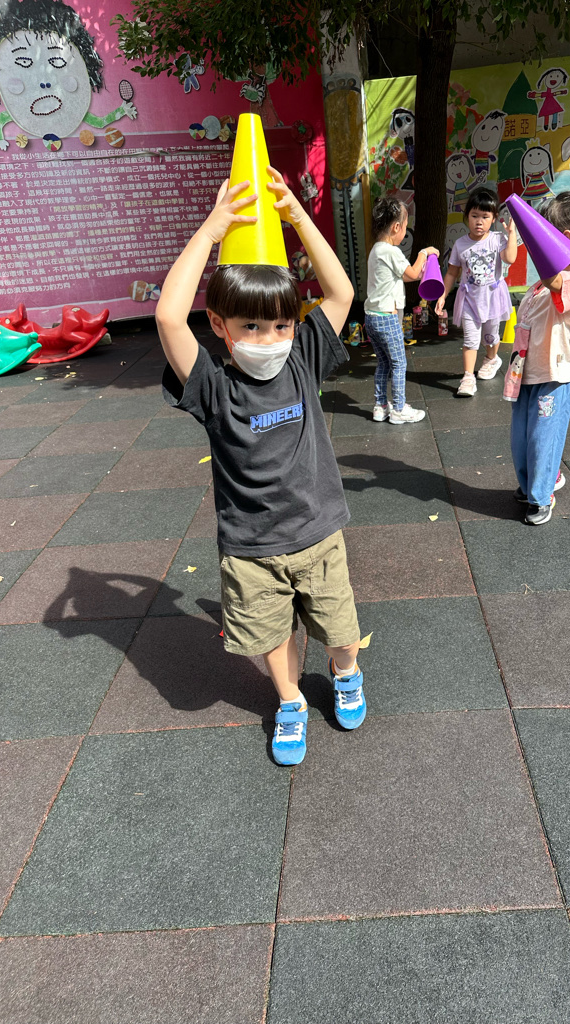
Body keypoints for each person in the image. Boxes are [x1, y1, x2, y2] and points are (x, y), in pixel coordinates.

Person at [155, 169, 364, 766]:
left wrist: (297, 216)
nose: (268, 339)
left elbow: (341, 294)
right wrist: (211, 231)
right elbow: (169, 318)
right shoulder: (212, 386)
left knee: (341, 629)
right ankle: (290, 700)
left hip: (318, 533)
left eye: (280, 324)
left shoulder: (302, 359)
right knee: (271, 636)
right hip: (251, 548)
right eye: (251, 325)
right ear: (220, 326)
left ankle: (345, 674)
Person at [507, 190, 570, 525]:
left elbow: (555, 279)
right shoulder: (540, 285)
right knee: (521, 439)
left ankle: (542, 494)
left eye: (543, 234)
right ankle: (530, 486)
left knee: (542, 440)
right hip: (526, 375)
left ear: (562, 239)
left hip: (554, 377)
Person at [435, 189, 517, 397]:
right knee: (470, 340)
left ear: (494, 218)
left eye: (485, 217)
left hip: (493, 298)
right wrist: (443, 295)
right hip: (469, 300)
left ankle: (491, 358)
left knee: (490, 337)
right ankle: (468, 378)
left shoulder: (497, 239)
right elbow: (452, 272)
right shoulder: (460, 244)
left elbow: (510, 258)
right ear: (467, 216)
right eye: (474, 216)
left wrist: (511, 234)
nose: (479, 221)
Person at [364, 196, 439, 424]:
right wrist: (424, 253)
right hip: (387, 319)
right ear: (396, 227)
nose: (404, 232)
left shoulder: (376, 250)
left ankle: (380, 406)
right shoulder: (391, 251)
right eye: (405, 227)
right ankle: (398, 409)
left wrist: (419, 269)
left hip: (372, 317)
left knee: (384, 363)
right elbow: (414, 273)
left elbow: (405, 276)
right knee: (399, 363)